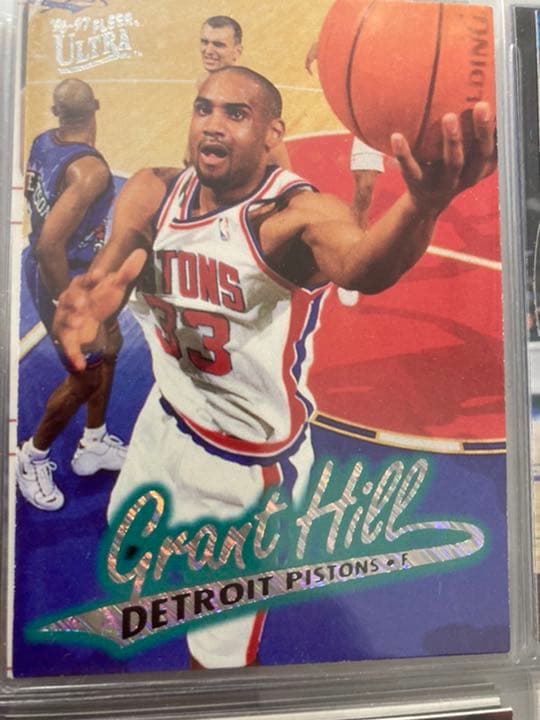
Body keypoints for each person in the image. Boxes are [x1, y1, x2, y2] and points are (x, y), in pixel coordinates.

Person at [53, 67, 496, 667]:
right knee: (128, 547)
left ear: (271, 135)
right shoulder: (153, 191)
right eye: (204, 108)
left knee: (217, 659)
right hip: (164, 419)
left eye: (236, 114)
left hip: (245, 470)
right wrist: (93, 301)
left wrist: (423, 204)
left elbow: (364, 267)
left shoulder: (291, 219)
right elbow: (112, 269)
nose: (213, 125)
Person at [17, 78, 127, 512]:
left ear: (56, 112)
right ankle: (32, 456)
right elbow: (49, 246)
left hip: (85, 272)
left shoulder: (44, 141)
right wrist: (70, 304)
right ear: (96, 106)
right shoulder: (90, 171)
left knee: (110, 346)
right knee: (85, 377)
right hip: (63, 278)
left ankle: (94, 442)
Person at [305, 40, 385, 305]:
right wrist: (324, 45)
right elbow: (350, 32)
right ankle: (355, 260)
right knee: (365, 186)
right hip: (373, 109)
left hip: (409, 102)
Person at [191, 15, 290, 169]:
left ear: (237, 52)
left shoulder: (249, 92)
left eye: (218, 45)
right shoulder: (204, 82)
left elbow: (275, 148)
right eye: (205, 42)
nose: (208, 50)